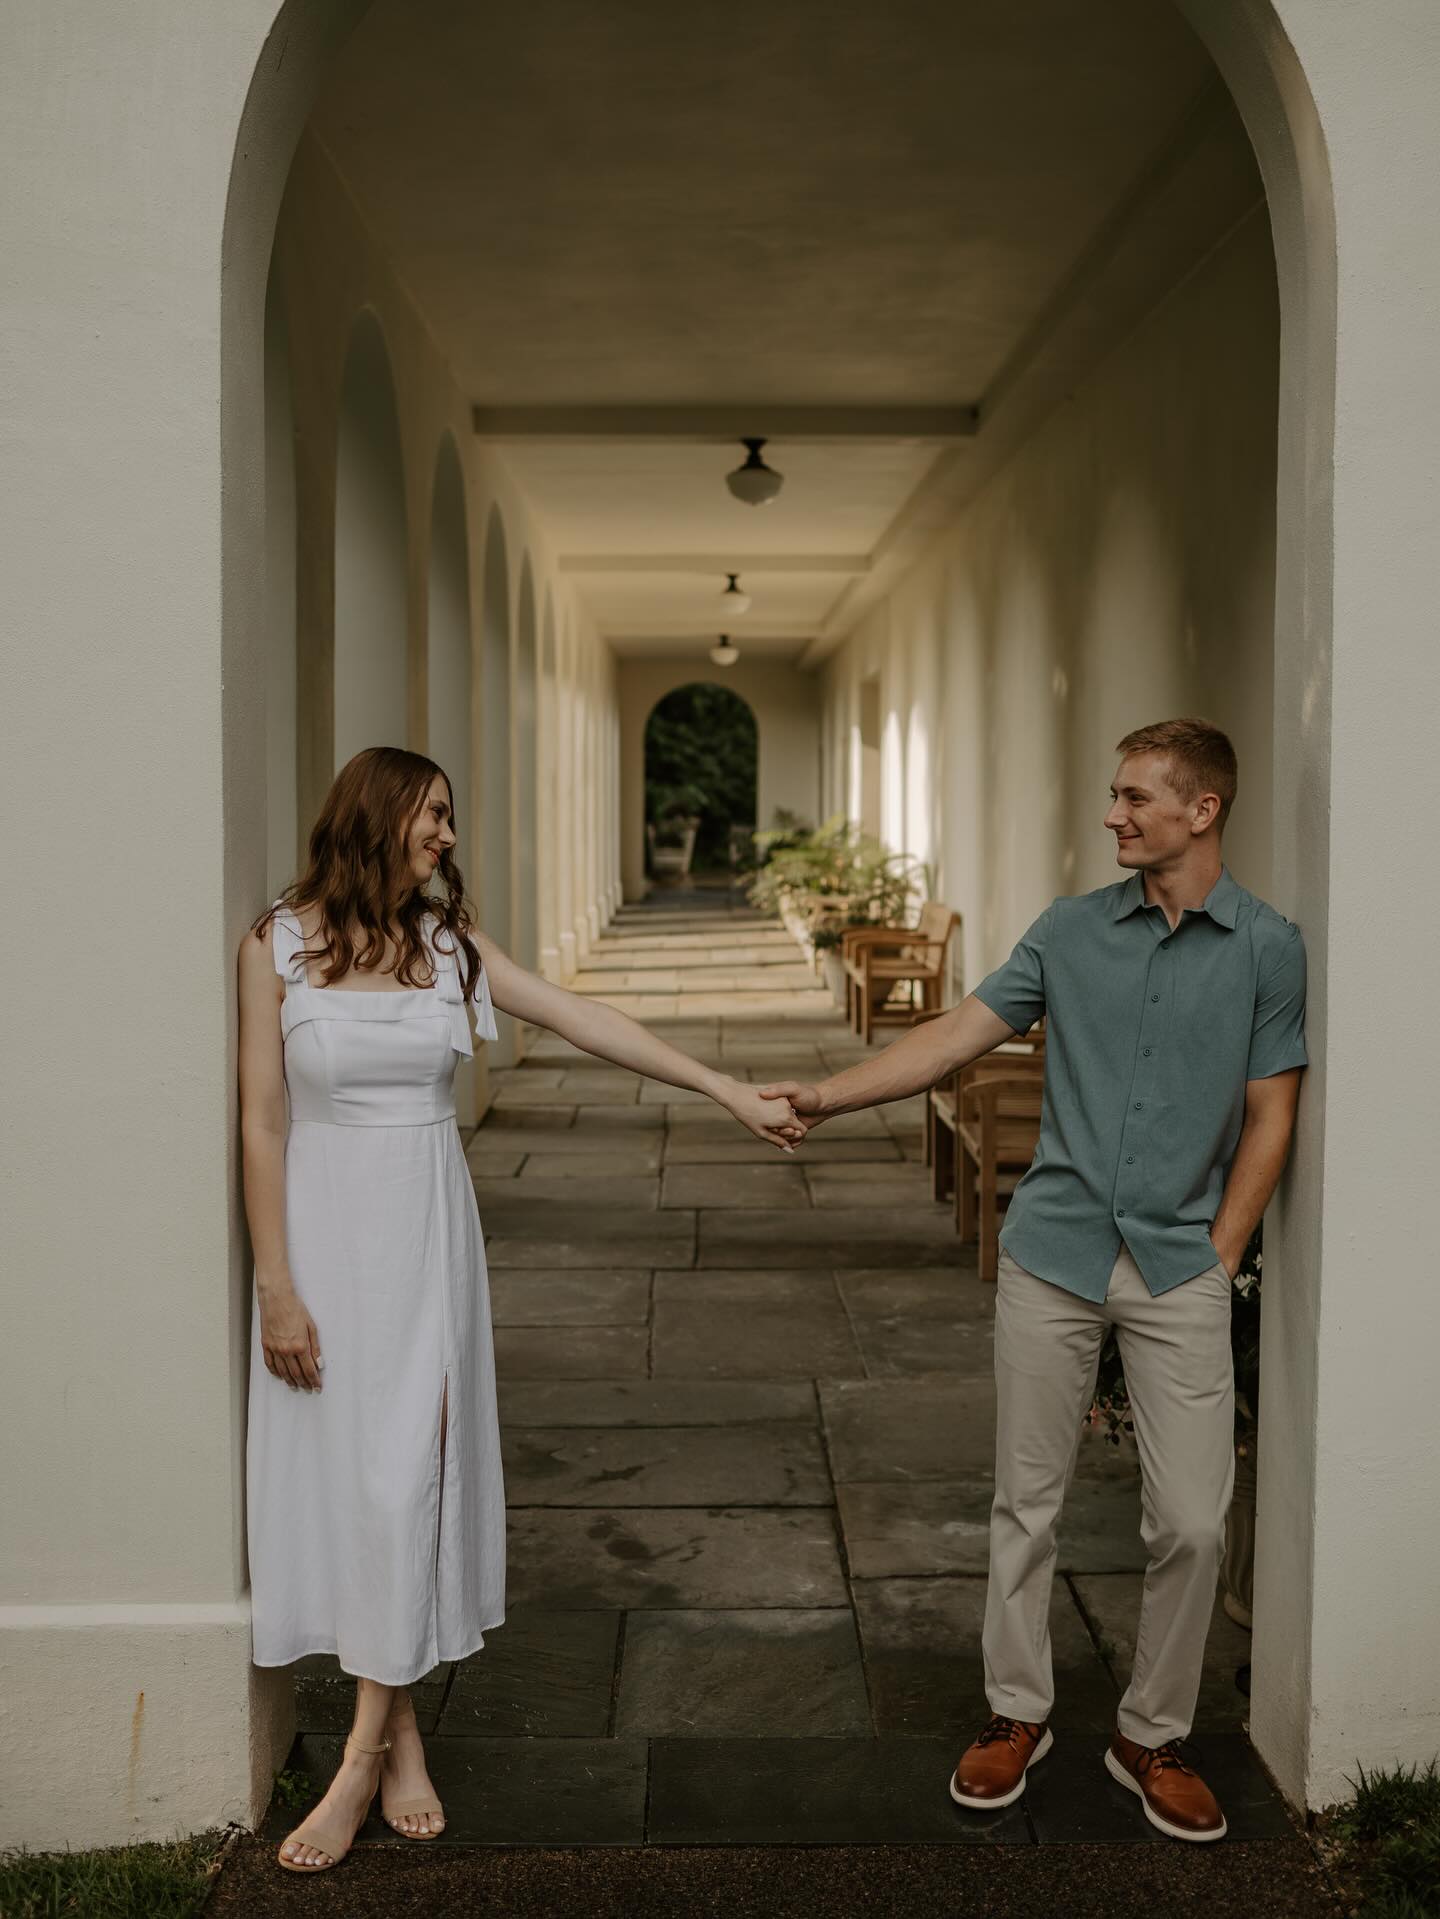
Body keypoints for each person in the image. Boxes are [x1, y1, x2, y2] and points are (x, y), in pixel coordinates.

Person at [238, 746, 801, 1874]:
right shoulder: (276, 945)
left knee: (410, 1475)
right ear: (378, 815)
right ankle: (403, 1736)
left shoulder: (450, 946)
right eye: (432, 814)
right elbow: (260, 1119)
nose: (448, 834)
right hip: (324, 1243)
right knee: (355, 1488)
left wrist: (725, 1087)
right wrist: (276, 1284)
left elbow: (585, 1018)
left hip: (425, 1240)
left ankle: (356, 1758)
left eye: (450, 815)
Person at [760, 718, 1307, 1843]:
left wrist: (1221, 1252)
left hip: (1179, 1263)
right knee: (1027, 1500)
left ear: (1202, 809)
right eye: (1116, 794)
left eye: (1136, 797)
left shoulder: (1267, 948)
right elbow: (954, 1036)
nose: (1113, 814)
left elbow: (1271, 1113)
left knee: (1193, 1521)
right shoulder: (1067, 930)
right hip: (1053, 1254)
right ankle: (1017, 1712)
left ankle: (1150, 1733)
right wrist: (828, 1094)